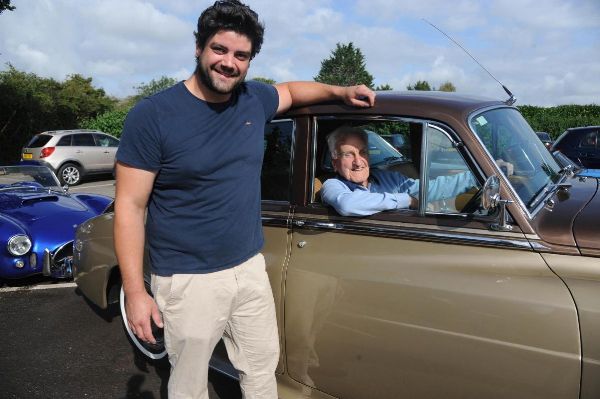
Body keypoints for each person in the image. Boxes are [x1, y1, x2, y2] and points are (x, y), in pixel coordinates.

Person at [114, 1, 375, 398]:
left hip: (248, 269)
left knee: (260, 370)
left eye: (241, 55)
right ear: (199, 48)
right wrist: (136, 292)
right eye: (220, 49)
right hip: (188, 279)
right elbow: (130, 207)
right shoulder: (153, 115)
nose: (229, 63)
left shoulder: (253, 100)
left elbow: (290, 90)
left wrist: (339, 91)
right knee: (189, 387)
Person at [321, 126, 481, 216]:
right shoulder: (332, 185)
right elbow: (347, 205)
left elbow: (428, 190)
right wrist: (408, 200)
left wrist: (476, 176)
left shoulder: (387, 178)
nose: (358, 162)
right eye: (348, 155)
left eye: (363, 152)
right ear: (335, 163)